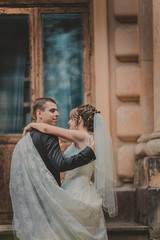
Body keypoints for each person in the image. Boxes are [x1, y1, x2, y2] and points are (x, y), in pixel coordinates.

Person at [22, 103, 118, 239]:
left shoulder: (82, 136)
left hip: (75, 191)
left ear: (79, 120)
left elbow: (46, 128)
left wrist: (31, 125)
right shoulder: (90, 139)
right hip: (84, 189)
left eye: (71, 119)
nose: (68, 122)